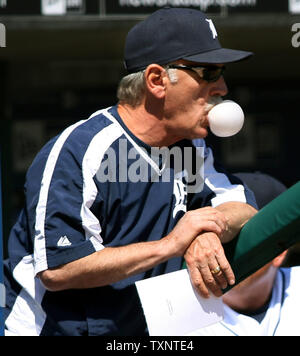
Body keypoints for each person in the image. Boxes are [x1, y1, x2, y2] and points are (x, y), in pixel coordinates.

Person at [4, 7, 257, 336]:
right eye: (207, 72)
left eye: (221, 73)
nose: (222, 87)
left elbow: (243, 208)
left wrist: (207, 232)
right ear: (157, 80)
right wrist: (172, 244)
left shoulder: (191, 148)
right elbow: (58, 268)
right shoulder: (81, 150)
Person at [189, 172, 300, 336]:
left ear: (279, 252)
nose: (218, 251)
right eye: (215, 236)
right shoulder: (179, 309)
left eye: (236, 242)